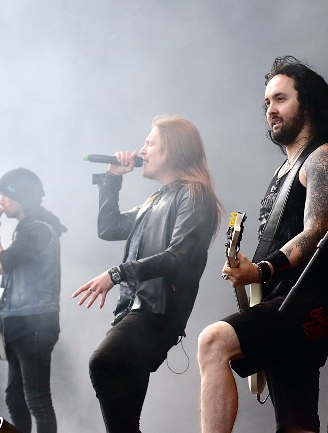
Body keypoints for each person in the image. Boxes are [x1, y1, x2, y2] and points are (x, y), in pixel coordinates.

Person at [198, 56, 328, 433]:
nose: (271, 110)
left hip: (309, 301)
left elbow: (316, 232)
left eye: (280, 99)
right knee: (296, 423)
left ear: (307, 103)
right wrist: (248, 271)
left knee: (213, 342)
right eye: (266, 103)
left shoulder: (325, 156)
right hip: (280, 299)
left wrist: (261, 270)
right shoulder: (284, 169)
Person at [72, 115, 223, 433]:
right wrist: (112, 177)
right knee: (127, 417)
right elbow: (109, 227)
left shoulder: (194, 195)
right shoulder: (156, 199)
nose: (141, 150)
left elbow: (179, 257)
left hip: (157, 313)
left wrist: (117, 273)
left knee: (102, 363)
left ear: (170, 150)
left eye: (149, 143)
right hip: (135, 311)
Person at [0, 167, 67, 433]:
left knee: (37, 400)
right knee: (15, 399)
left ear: (21, 196)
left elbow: (2, 264)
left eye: (6, 195)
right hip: (20, 322)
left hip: (36, 325)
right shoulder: (27, 228)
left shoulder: (38, 229)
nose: (1, 202)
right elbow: (12, 278)